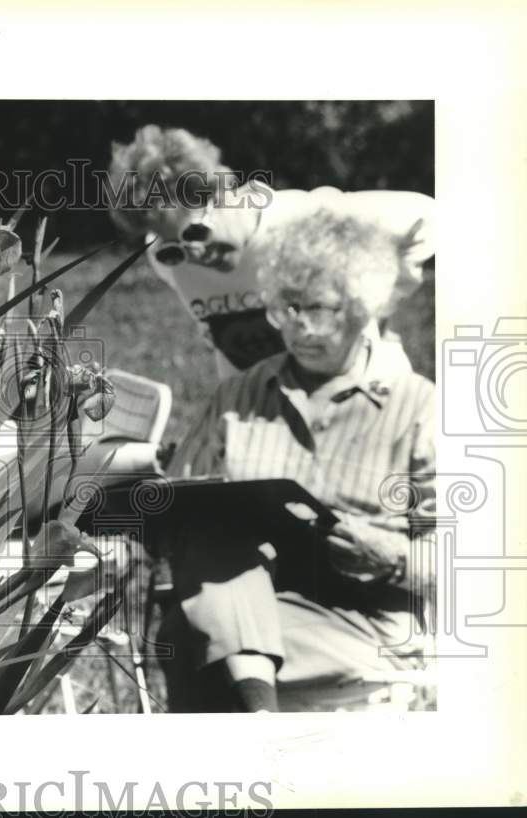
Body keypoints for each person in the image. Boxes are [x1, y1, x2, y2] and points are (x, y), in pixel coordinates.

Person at [154, 208, 436, 712]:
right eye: (285, 307)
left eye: (317, 309)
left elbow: (473, 565)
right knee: (205, 527)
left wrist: (385, 552)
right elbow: (175, 510)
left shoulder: (418, 408)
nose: (298, 327)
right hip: (241, 597)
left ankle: (248, 727)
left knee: (190, 640)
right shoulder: (239, 394)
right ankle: (261, 723)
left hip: (361, 618)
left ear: (361, 307)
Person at [107, 125, 435, 379]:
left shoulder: (299, 219)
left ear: (222, 197)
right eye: (172, 251)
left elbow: (427, 215)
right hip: (262, 422)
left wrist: (378, 300)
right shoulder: (168, 261)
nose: (193, 254)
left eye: (195, 232)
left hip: (362, 403)